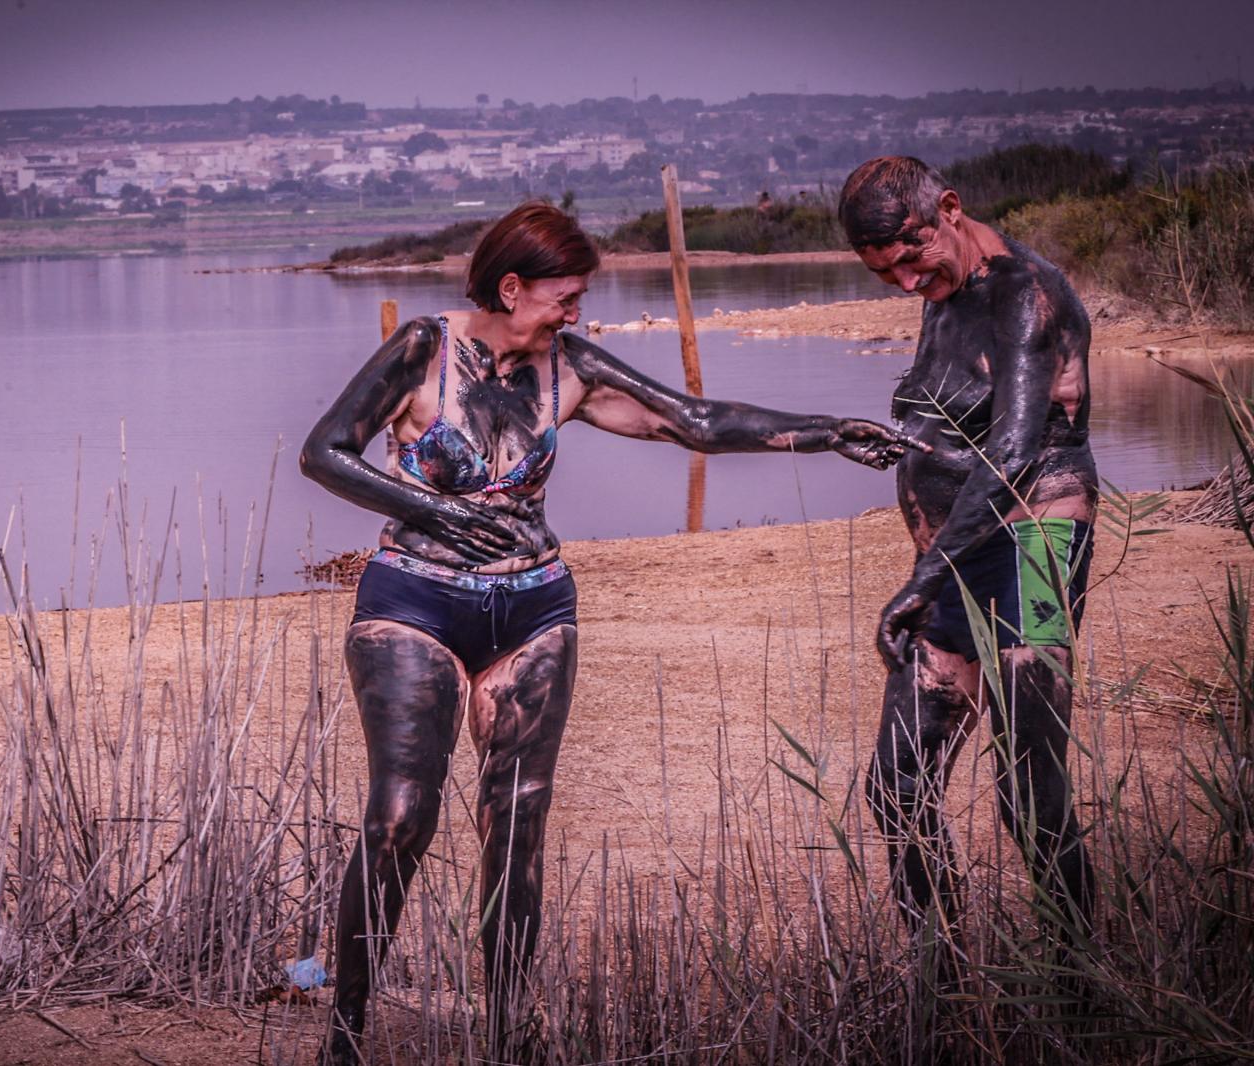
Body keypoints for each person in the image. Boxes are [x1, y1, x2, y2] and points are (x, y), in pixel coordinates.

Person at [300, 200, 925, 1063]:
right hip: (414, 601)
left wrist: (825, 433)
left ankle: (509, 1035)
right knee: (402, 815)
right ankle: (345, 1032)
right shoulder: (421, 349)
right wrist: (430, 507)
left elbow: (693, 421)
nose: (575, 311)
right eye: (564, 296)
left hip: (535, 608)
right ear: (511, 287)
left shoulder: (571, 368)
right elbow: (324, 451)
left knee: (516, 822)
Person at [837, 157, 1098, 962]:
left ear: (948, 209)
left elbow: (1016, 449)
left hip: (1035, 548)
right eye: (884, 272)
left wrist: (918, 577)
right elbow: (959, 415)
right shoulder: (944, 289)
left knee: (1028, 788)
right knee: (897, 788)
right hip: (954, 562)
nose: (905, 281)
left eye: (911, 259)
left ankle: (1080, 985)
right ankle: (942, 984)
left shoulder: (1025, 294)